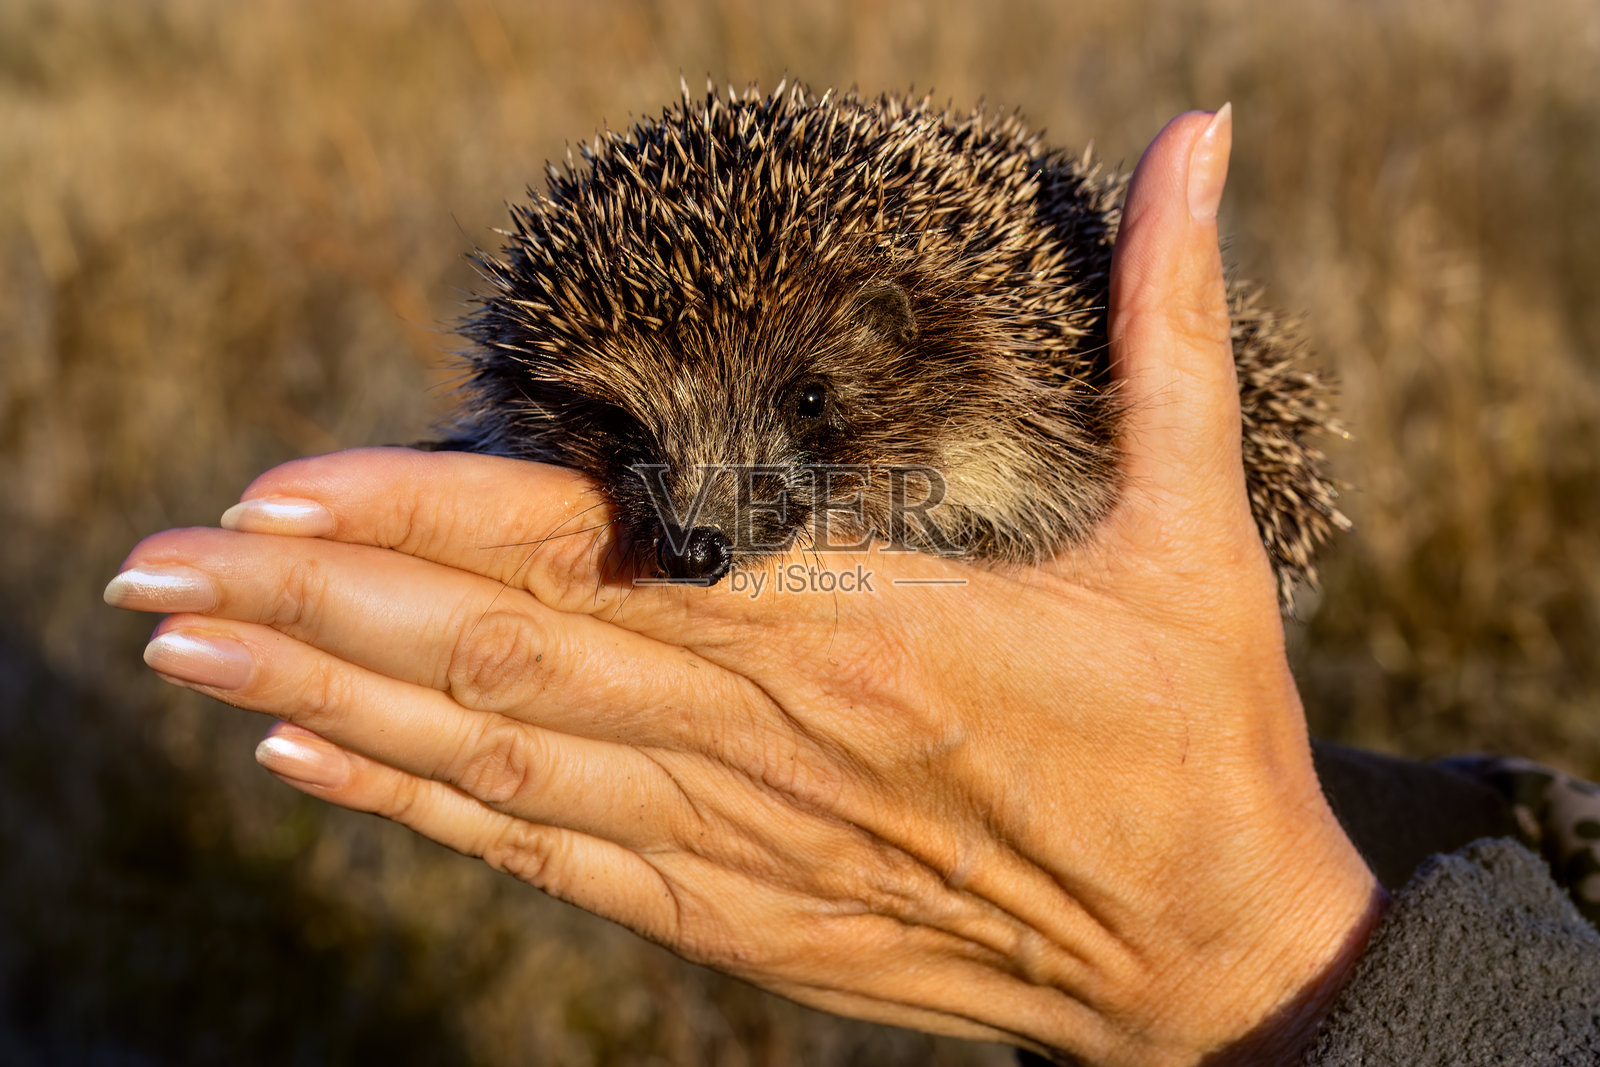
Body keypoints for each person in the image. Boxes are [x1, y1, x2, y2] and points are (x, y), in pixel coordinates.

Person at [104, 109, 1600, 1064]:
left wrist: (1260, 959)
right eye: (629, 433)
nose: (695, 520)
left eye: (807, 416)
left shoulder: (1007, 387)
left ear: (898, 340)